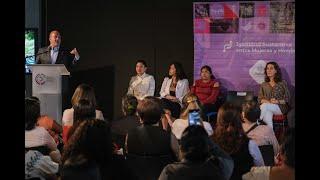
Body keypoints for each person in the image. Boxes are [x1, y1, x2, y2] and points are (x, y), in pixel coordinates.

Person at [213, 103, 264, 180]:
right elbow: (261, 169)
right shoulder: (250, 144)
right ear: (240, 121)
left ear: (219, 119)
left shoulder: (208, 142)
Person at [159, 126, 225, 180]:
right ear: (207, 147)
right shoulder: (217, 171)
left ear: (181, 148)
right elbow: (228, 159)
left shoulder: (170, 172)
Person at [25, 97, 61, 163]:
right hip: (39, 166)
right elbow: (54, 148)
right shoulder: (42, 132)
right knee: (55, 152)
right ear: (37, 115)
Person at [258, 62, 290, 129]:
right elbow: (260, 99)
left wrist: (277, 101)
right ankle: (271, 137)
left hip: (280, 108)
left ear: (276, 71)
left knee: (264, 106)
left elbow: (287, 98)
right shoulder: (264, 84)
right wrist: (269, 102)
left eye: (271, 68)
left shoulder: (282, 83)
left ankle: (258, 122)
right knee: (267, 115)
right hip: (267, 107)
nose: (268, 70)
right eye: (267, 68)